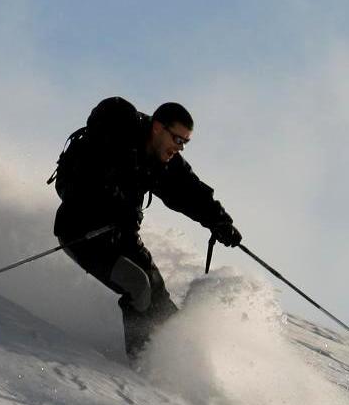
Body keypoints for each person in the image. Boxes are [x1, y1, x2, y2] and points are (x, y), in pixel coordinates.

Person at [49, 97, 241, 361]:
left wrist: (220, 222)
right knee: (138, 286)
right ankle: (141, 367)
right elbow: (82, 184)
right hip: (82, 233)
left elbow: (190, 191)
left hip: (122, 236)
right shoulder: (113, 142)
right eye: (177, 139)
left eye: (185, 142)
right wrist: (113, 204)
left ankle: (177, 365)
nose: (180, 148)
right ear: (158, 128)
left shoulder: (163, 161)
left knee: (160, 301)